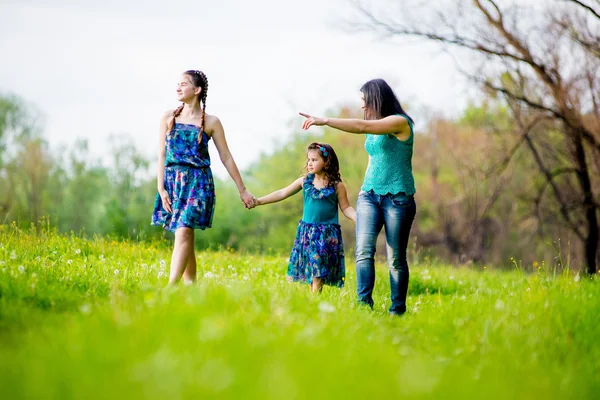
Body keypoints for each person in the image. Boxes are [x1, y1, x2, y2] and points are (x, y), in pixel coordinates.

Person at [299, 78, 416, 315]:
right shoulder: (374, 128)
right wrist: (363, 189)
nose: (362, 107)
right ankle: (364, 307)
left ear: (376, 99)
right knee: (363, 252)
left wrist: (325, 121)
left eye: (364, 101)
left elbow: (361, 127)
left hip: (398, 199)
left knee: (395, 259)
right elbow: (374, 159)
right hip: (370, 196)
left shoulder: (399, 122)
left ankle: (397, 311)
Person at [152, 69, 255, 285]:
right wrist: (161, 188)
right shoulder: (168, 117)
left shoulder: (211, 122)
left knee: (183, 231)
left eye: (184, 84)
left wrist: (242, 189)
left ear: (197, 90)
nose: (178, 87)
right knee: (184, 232)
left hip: (198, 183)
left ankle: (170, 288)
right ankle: (191, 284)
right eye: (177, 84)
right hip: (173, 182)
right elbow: (161, 154)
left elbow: (226, 157)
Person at [254, 142, 356, 292]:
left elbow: (346, 207)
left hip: (326, 234)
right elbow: (282, 193)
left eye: (314, 160)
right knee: (312, 271)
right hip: (307, 233)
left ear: (326, 162)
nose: (309, 163)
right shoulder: (305, 182)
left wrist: (356, 217)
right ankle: (314, 302)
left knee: (318, 273)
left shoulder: (336, 186)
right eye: (308, 159)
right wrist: (258, 201)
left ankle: (315, 301)